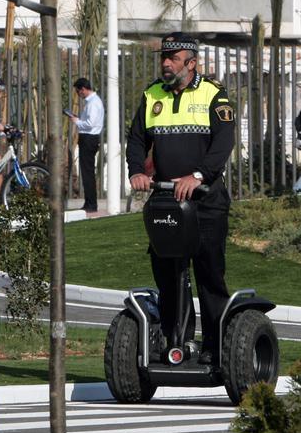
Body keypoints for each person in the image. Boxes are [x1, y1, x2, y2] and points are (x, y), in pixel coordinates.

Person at [126, 32, 236, 364]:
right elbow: (135, 139)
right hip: (166, 202)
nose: (166, 62)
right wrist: (137, 171)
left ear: (191, 63)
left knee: (209, 276)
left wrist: (198, 175)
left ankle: (215, 348)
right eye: (165, 57)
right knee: (168, 272)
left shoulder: (214, 95)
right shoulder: (151, 95)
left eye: (173, 58)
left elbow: (223, 143)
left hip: (206, 202)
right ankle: (177, 341)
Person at [68, 77, 105, 212]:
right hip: (88, 138)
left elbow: (90, 124)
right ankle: (89, 202)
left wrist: (76, 121)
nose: (78, 95)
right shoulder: (92, 102)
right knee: (87, 171)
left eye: (78, 92)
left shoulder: (93, 103)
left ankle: (91, 204)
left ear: (83, 89)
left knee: (88, 172)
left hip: (89, 138)